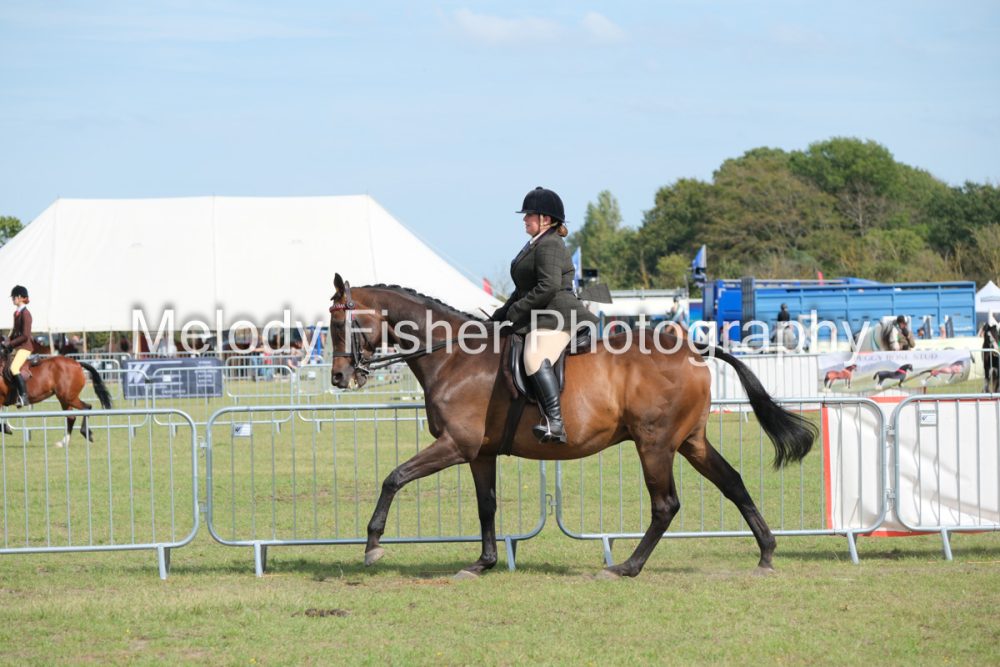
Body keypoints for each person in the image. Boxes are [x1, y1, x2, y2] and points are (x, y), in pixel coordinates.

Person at [490, 187, 599, 444]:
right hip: (542, 313)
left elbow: (548, 286)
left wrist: (516, 311)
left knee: (535, 356)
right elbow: (523, 289)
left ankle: (555, 422)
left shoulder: (549, 244)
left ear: (546, 219)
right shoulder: (535, 244)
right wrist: (499, 315)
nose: (525, 219)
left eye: (529, 214)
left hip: (558, 314)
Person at [3, 285, 33, 407]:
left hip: (25, 347)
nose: (12, 299)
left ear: (20, 297)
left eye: (14, 297)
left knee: (14, 368)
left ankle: (23, 396)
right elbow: (14, 331)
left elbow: (25, 335)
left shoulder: (26, 314)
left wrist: (11, 344)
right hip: (17, 347)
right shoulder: (17, 313)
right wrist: (6, 341)